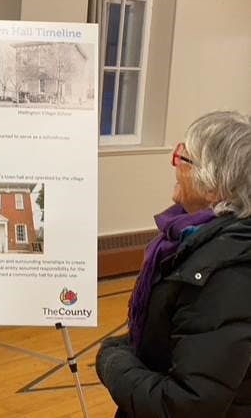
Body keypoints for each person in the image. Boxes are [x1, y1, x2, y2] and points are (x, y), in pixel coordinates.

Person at [96, 111, 251, 417]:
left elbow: (185, 404)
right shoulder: (191, 241)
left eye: (185, 157)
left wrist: (112, 360)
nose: (175, 161)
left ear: (214, 187)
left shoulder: (228, 272)